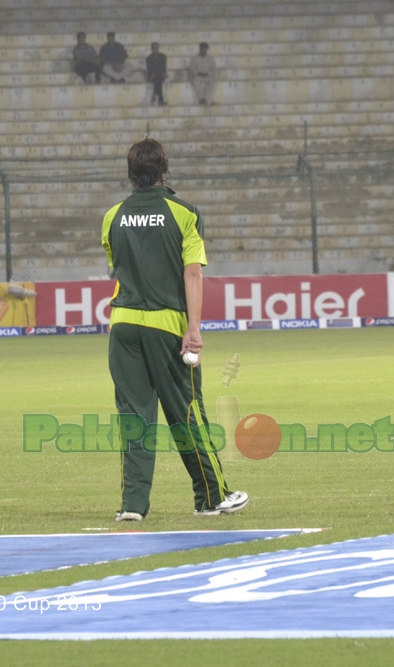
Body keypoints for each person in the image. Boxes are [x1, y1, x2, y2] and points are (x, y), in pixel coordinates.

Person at [101, 137, 247, 521]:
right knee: (186, 412)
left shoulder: (112, 215)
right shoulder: (184, 213)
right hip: (166, 327)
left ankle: (132, 506)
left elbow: (120, 265)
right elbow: (192, 272)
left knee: (134, 416)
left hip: (123, 325)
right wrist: (193, 330)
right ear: (164, 171)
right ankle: (211, 497)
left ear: (131, 174)